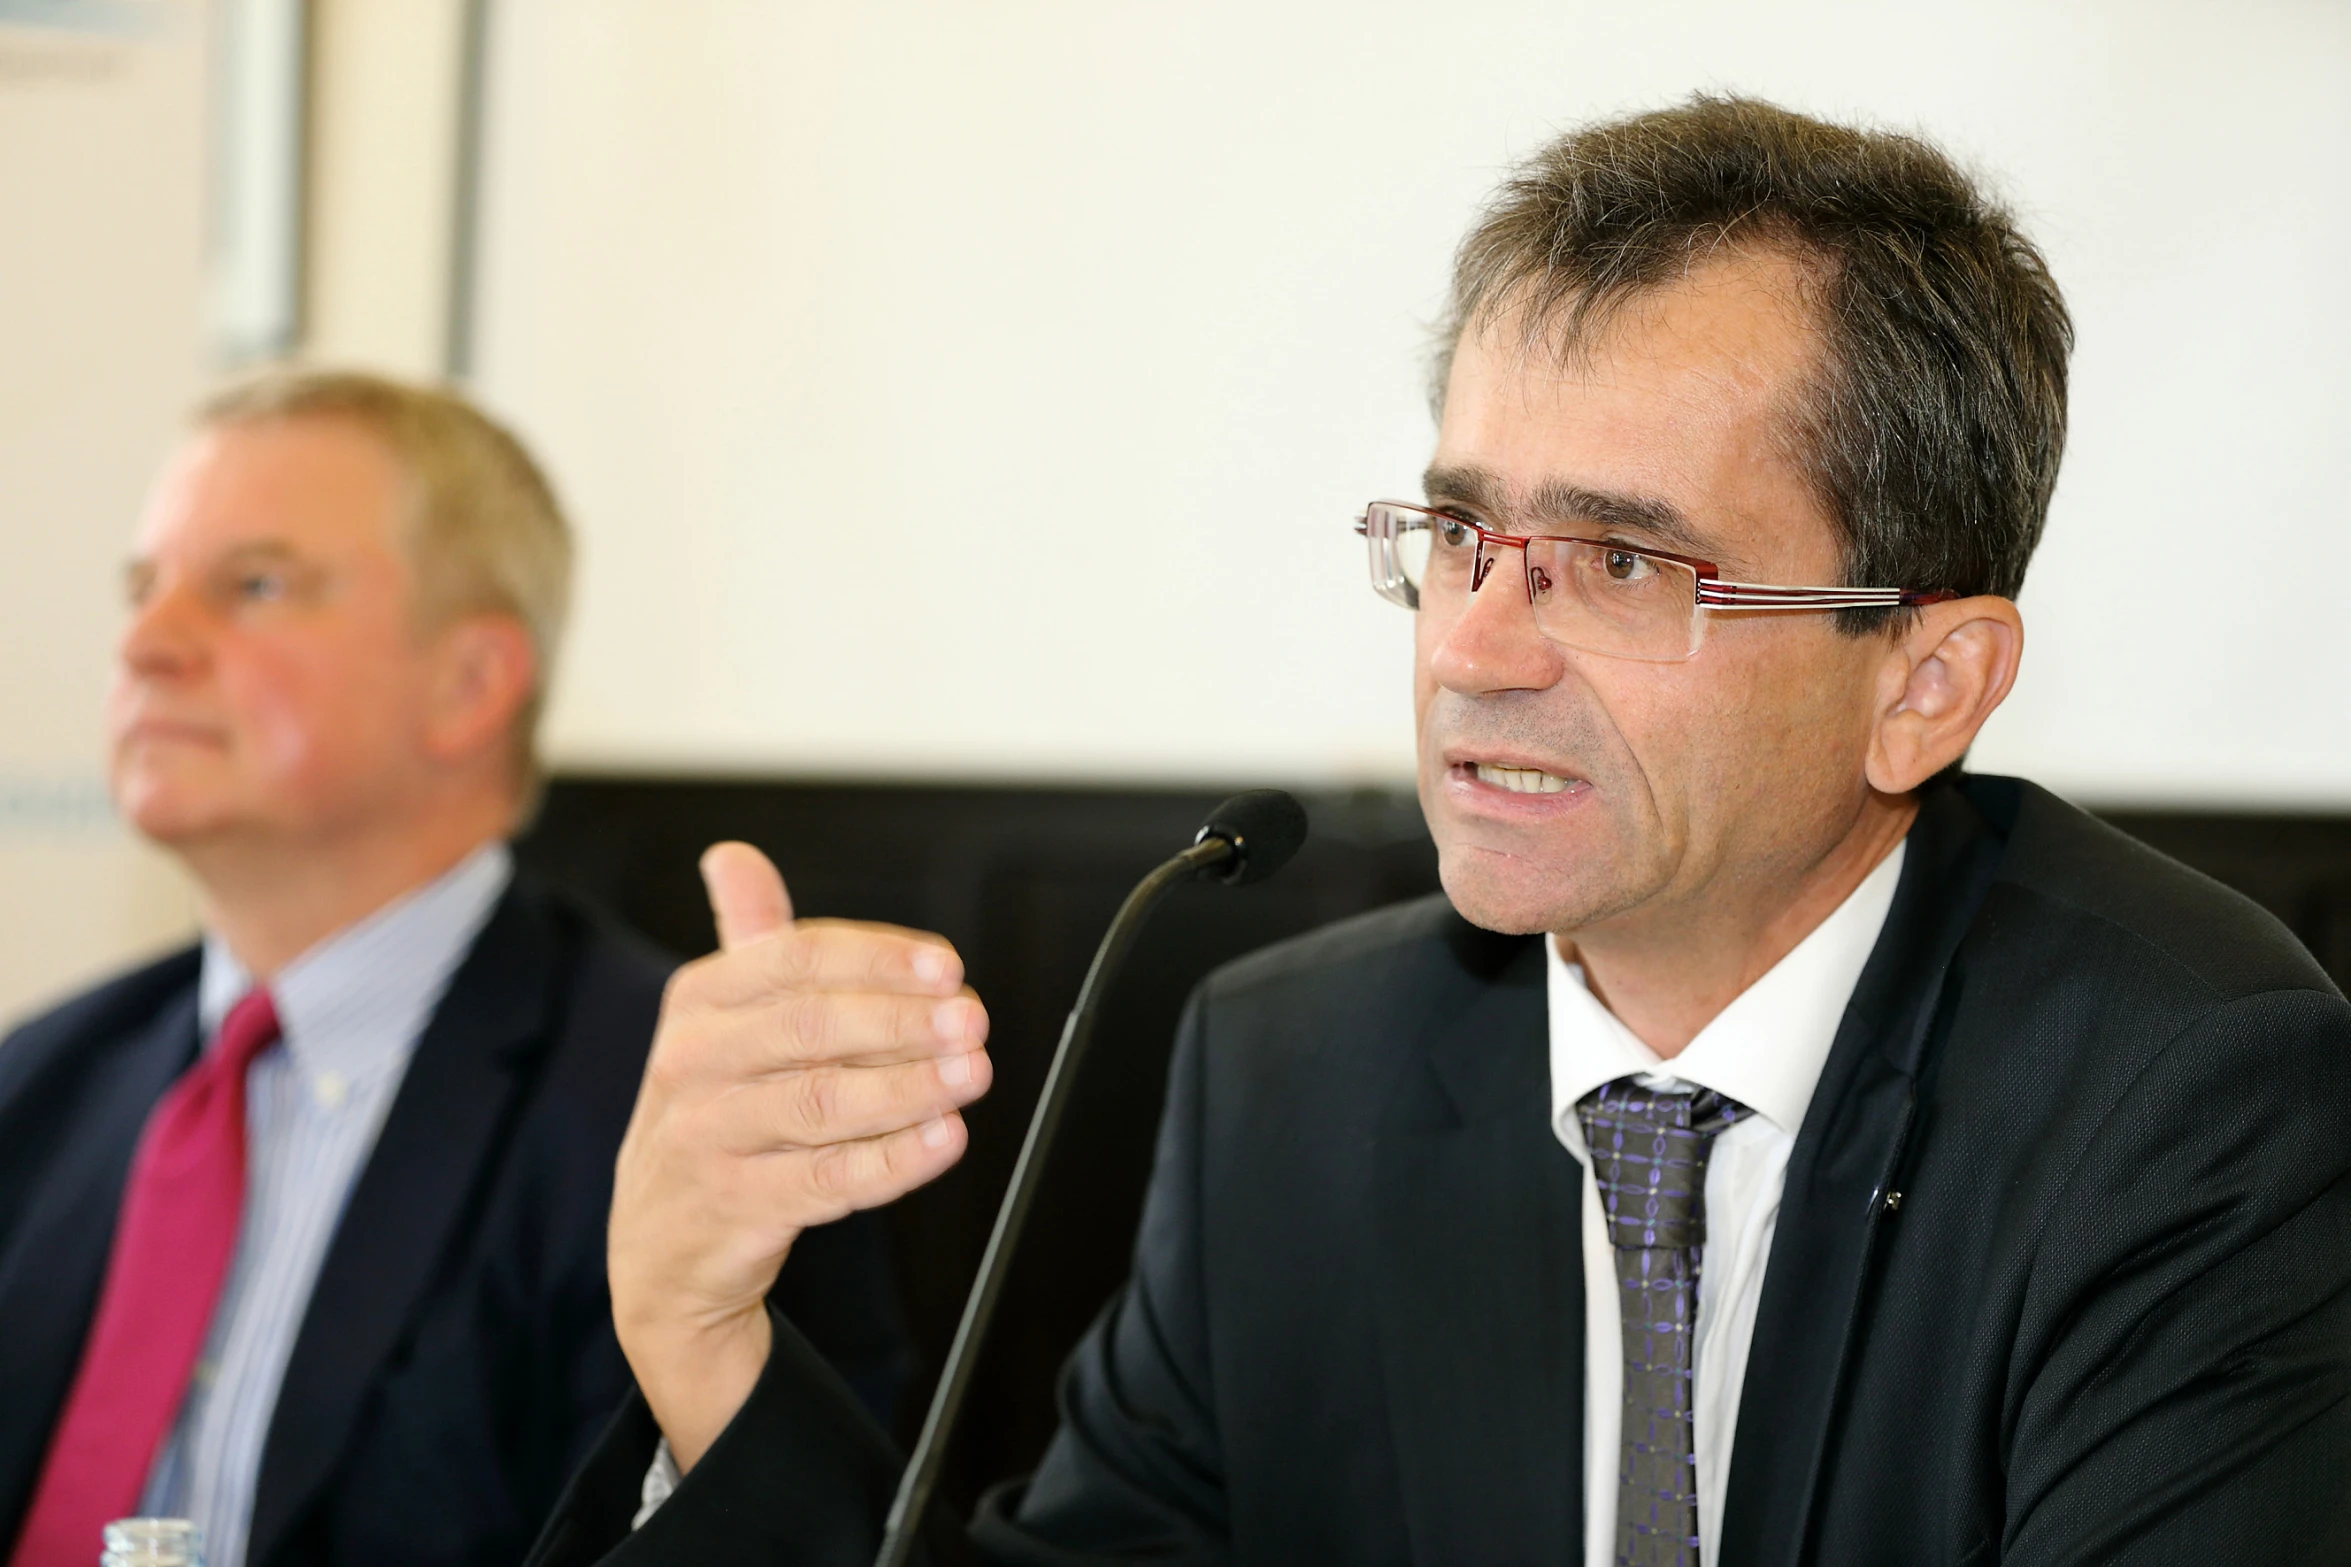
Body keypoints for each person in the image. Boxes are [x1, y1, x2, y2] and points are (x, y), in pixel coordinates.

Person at [526, 97, 2351, 1566]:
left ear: (1926, 683)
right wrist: (706, 1341)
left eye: (1623, 562)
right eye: (1464, 535)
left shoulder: (2185, 1100)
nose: (1473, 646)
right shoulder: (1294, 1070)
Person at [0, 370, 907, 1567]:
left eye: (255, 585)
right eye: (142, 589)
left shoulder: (683, 1113)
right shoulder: (42, 1080)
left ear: (469, 685)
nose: (148, 643)